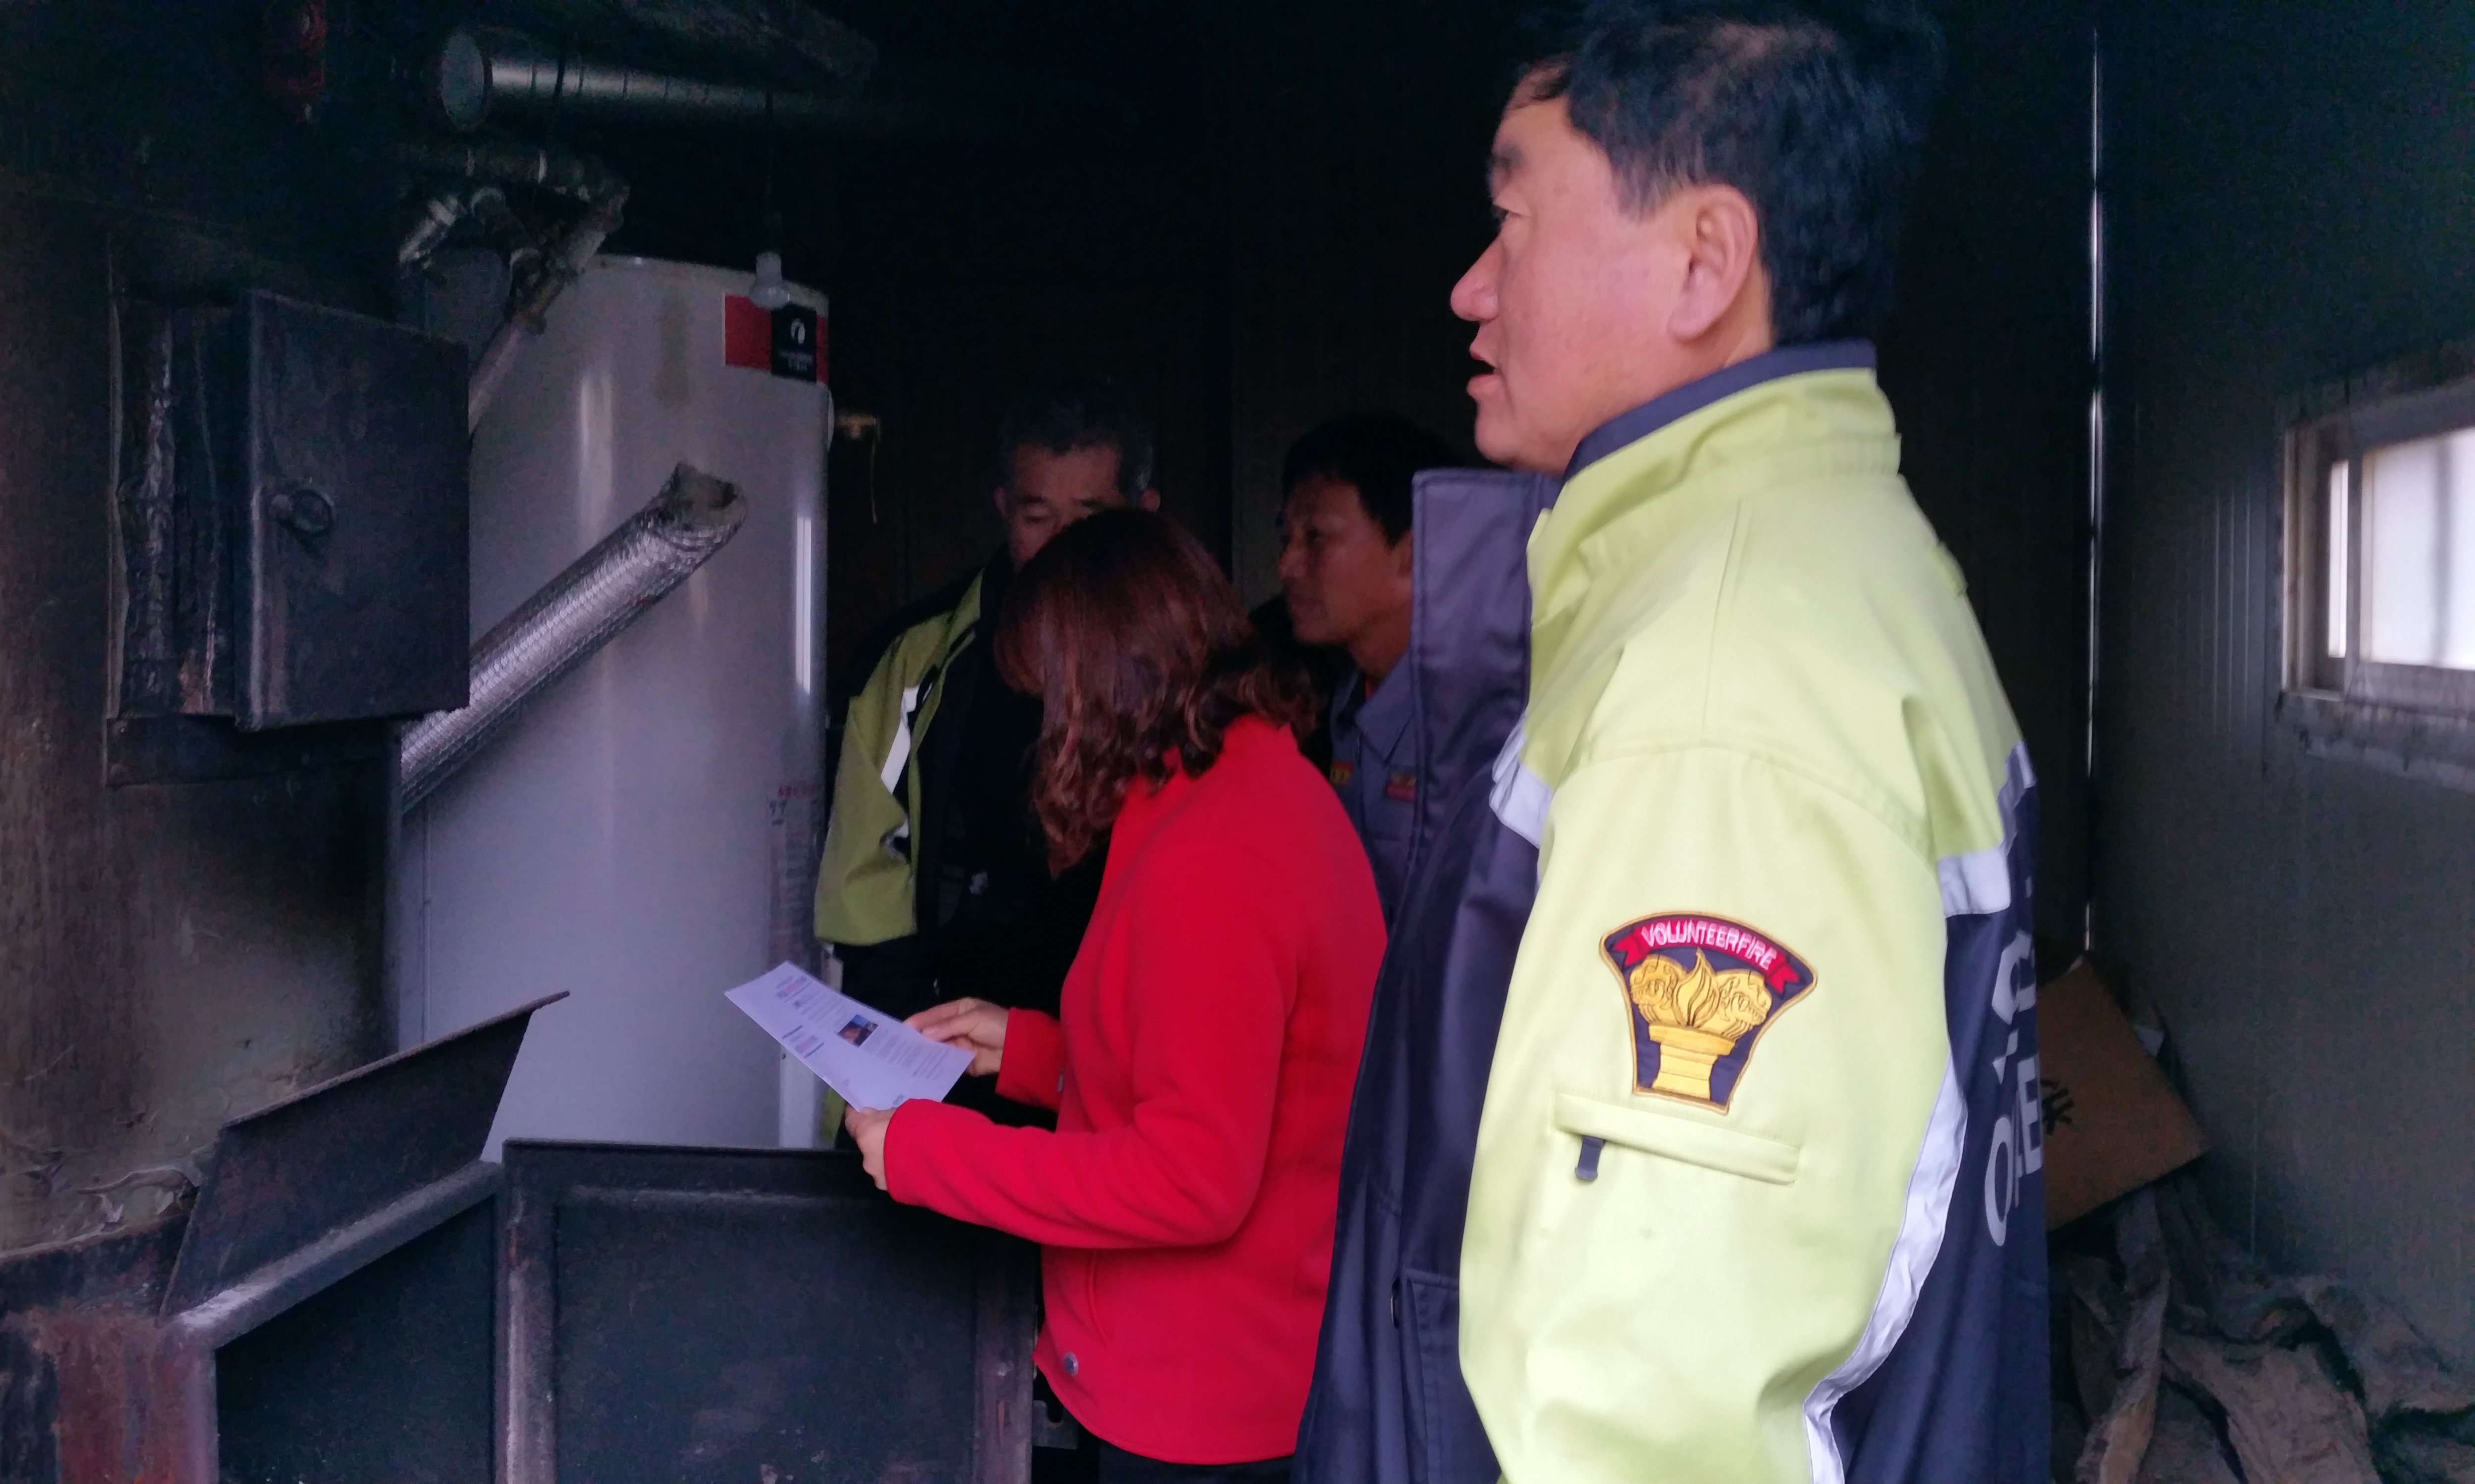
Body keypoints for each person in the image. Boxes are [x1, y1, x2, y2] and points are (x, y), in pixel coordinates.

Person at [1298, 5, 2049, 1484]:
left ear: (1704, 261)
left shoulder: (1724, 682)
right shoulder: (1835, 567)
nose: (1469, 288)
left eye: (1513, 219)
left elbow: (1651, 1412)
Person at [842, 509, 1385, 1484]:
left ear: (1098, 686)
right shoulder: (1240, 786)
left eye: (1048, 694)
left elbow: (1188, 1176)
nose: (1044, 726)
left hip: (1199, 1401)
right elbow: (1221, 1069)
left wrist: (927, 1152)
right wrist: (1028, 1050)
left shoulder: (1212, 855)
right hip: (1231, 1366)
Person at [815, 376, 1160, 1049]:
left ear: (1144, 512)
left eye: (1090, 518)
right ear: (1003, 508)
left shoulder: (1184, 664)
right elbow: (866, 870)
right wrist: (902, 1038)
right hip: (954, 1029)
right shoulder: (921, 657)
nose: (1063, 546)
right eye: (1037, 519)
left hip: (1126, 1036)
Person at [1274, 413, 1458, 924]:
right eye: (1286, 538)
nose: (1287, 566)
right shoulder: (1340, 699)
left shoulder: (1473, 717)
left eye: (1315, 538)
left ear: (1413, 553)